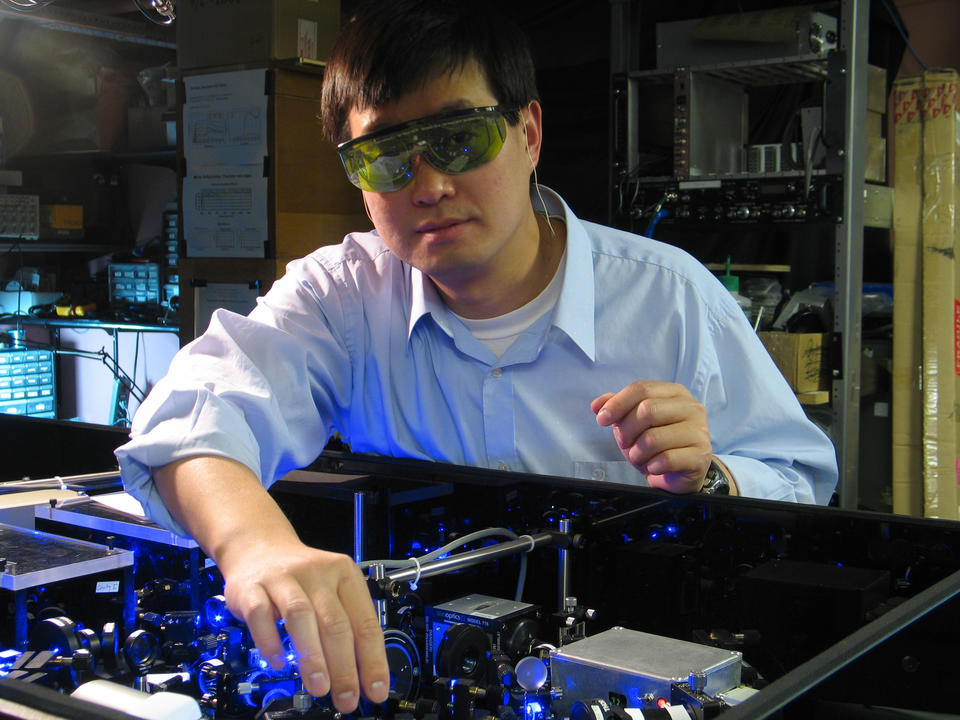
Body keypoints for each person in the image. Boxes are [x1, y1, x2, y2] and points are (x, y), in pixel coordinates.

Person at [115, 0, 838, 711]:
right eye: (386, 157)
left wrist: (710, 479)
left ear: (528, 133)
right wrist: (257, 546)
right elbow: (195, 417)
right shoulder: (343, 297)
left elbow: (805, 478)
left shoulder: (670, 298)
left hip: (630, 678)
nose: (429, 186)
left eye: (461, 139)